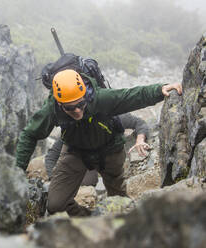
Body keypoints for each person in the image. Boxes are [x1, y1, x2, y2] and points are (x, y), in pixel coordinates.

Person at [15, 69, 182, 217]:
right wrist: (16, 172)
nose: (77, 111)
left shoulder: (99, 98)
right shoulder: (52, 109)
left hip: (110, 149)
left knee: (118, 200)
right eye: (70, 108)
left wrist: (160, 89)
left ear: (85, 96)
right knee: (56, 205)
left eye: (81, 104)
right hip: (76, 151)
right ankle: (91, 220)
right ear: (59, 103)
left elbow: (130, 96)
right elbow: (29, 135)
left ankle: (125, 224)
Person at [44, 112, 150, 186]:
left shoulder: (113, 117)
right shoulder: (74, 130)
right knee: (88, 183)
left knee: (115, 181)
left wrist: (140, 140)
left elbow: (139, 123)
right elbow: (51, 156)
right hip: (87, 161)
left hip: (112, 154)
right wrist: (53, 179)